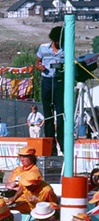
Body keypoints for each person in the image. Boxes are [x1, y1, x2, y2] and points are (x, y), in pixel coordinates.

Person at [36, 26, 64, 154]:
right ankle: (51, 145)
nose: (59, 44)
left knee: (61, 114)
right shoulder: (43, 48)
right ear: (53, 40)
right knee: (48, 114)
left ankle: (63, 143)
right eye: (57, 41)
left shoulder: (66, 49)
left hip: (59, 81)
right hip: (47, 81)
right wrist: (39, 67)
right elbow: (37, 62)